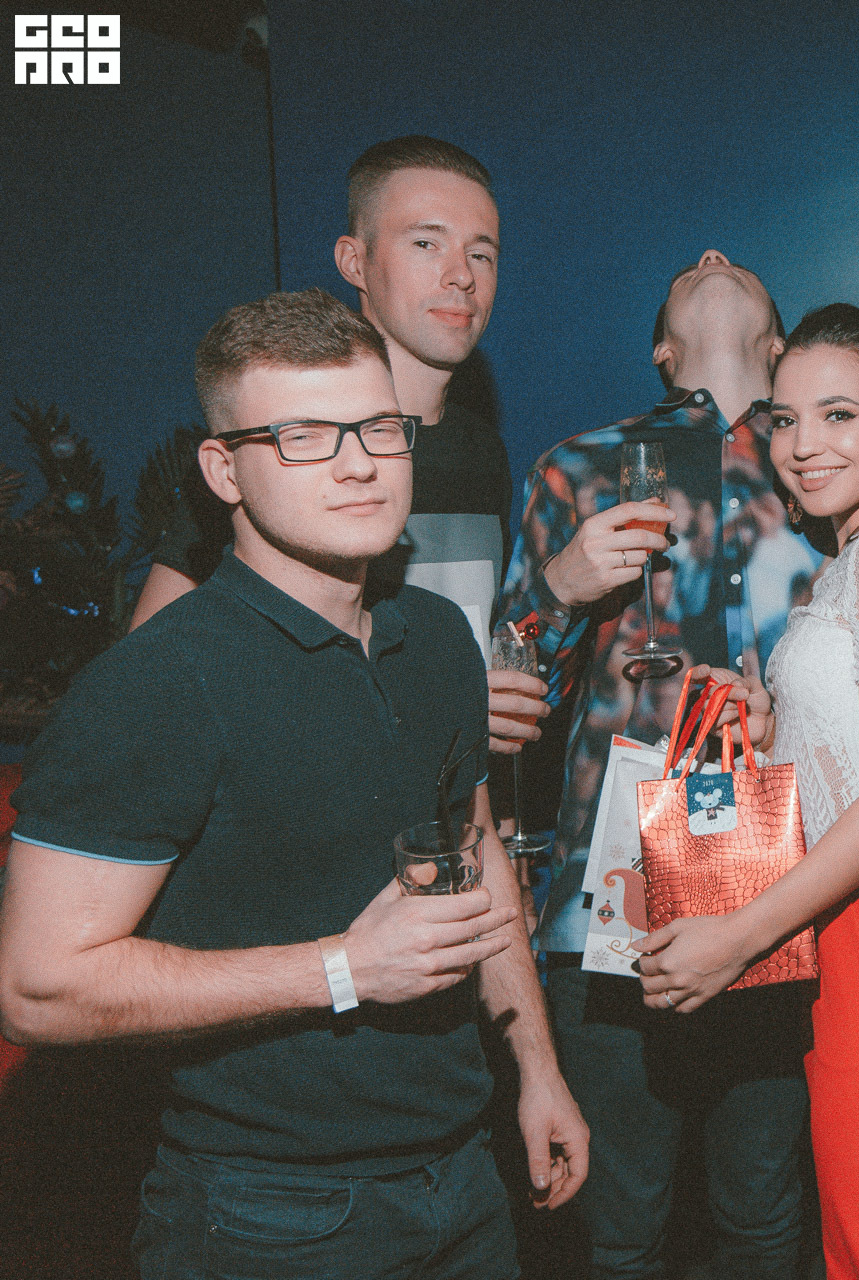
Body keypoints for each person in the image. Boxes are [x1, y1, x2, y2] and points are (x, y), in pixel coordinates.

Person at [0, 288, 589, 1280]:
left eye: (379, 427)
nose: (359, 463)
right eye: (303, 436)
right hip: (266, 1214)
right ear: (223, 469)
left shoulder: (439, 637)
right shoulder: (157, 684)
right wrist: (345, 967)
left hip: (467, 1177)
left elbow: (476, 848)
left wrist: (537, 1067)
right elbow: (35, 985)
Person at [496, 255, 859, 1280]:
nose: (715, 256)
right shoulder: (577, 469)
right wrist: (560, 588)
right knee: (622, 1231)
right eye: (797, 419)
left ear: (779, 347)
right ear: (660, 350)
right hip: (618, 911)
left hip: (792, 911)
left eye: (831, 413)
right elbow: (502, 706)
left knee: (769, 1221)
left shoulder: (818, 487)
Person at [636, 303, 859, 1280]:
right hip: (845, 927)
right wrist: (769, 732)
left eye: (839, 415)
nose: (803, 445)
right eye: (787, 419)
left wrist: (735, 936)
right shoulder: (851, 558)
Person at [130, 136, 514, 672]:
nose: (462, 275)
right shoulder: (278, 450)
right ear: (354, 262)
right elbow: (149, 674)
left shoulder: (484, 450)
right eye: (426, 243)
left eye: (480, 254)